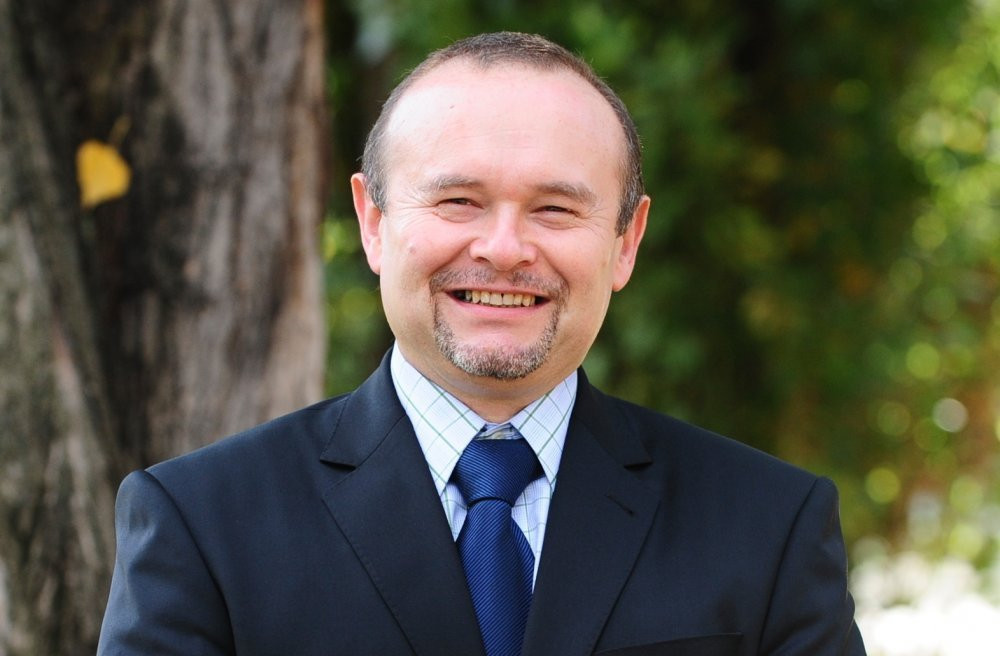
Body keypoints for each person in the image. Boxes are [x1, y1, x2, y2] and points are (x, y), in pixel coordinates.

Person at [98, 31, 866, 655]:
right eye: (459, 201)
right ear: (373, 222)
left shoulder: (770, 525)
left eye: (555, 209)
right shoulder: (202, 524)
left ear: (626, 241)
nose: (503, 249)